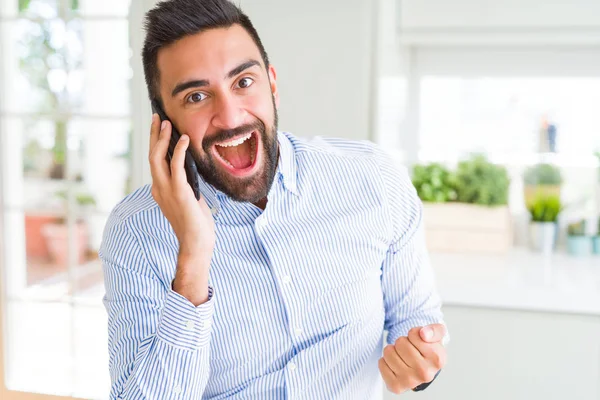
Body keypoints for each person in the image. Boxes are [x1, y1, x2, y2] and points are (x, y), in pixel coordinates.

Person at [100, 0, 448, 398]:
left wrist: (419, 361)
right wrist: (193, 256)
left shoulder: (372, 179)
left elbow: (418, 320)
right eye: (196, 97)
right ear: (164, 123)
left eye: (243, 82)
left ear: (273, 85)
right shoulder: (136, 232)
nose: (230, 116)